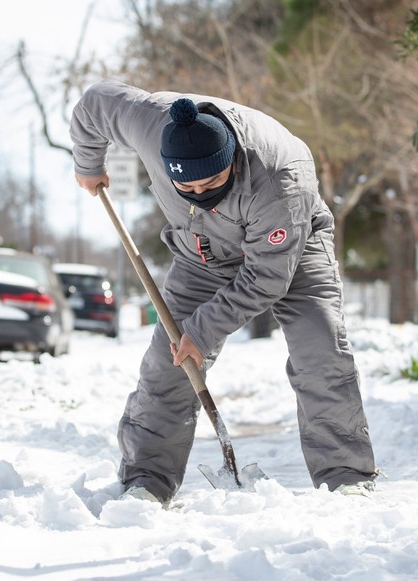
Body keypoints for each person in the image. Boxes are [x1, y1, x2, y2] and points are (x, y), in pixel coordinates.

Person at [70, 80, 377, 504]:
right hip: (201, 254)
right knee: (167, 364)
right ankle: (146, 480)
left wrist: (201, 331)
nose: (202, 194)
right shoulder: (148, 123)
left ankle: (346, 476)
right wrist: (88, 163)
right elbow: (94, 104)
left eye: (213, 181)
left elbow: (266, 278)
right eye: (188, 188)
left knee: (319, 349)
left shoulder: (280, 177)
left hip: (291, 250)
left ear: (231, 156)